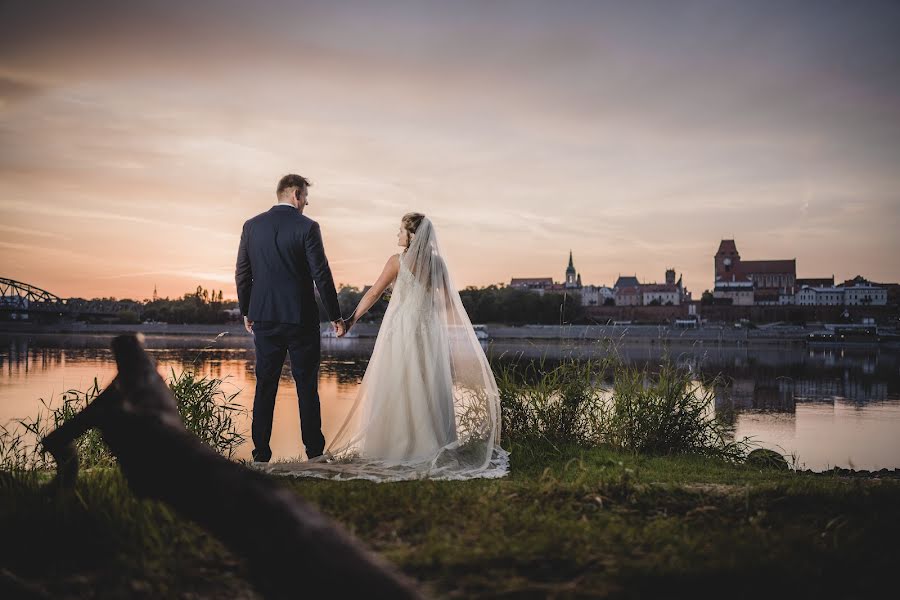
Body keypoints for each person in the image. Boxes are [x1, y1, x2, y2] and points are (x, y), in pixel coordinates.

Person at [264, 213, 508, 481]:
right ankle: (431, 443)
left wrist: (349, 321)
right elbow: (449, 303)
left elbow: (373, 293)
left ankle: (396, 444)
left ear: (412, 235)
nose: (397, 235)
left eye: (401, 231)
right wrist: (431, 316)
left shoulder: (397, 261)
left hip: (402, 329)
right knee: (427, 382)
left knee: (398, 381)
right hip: (428, 331)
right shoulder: (438, 264)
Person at [235, 174, 344, 463]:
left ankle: (260, 456)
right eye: (305, 196)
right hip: (300, 318)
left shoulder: (252, 226)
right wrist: (335, 315)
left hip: (264, 317)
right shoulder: (307, 227)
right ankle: (314, 454)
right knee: (306, 385)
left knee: (265, 385)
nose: (306, 202)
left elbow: (243, 273)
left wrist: (246, 310)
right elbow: (321, 273)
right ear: (295, 194)